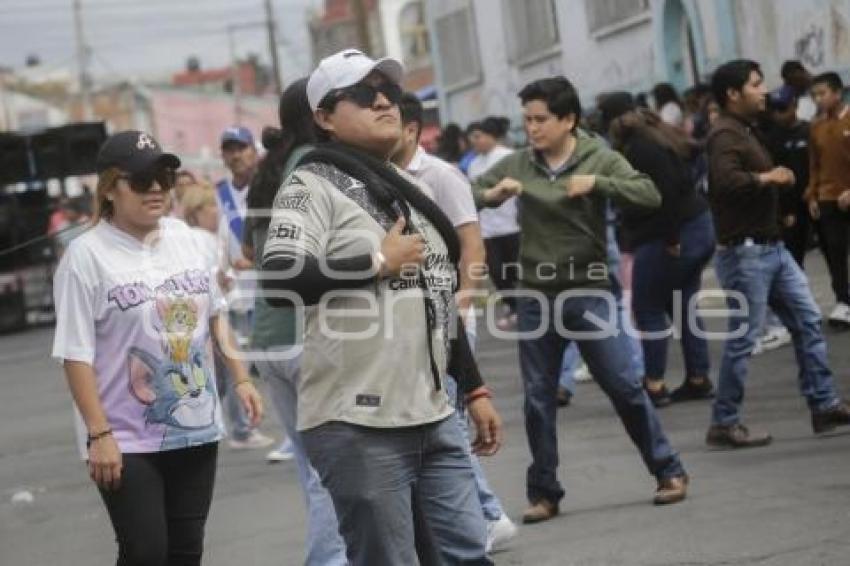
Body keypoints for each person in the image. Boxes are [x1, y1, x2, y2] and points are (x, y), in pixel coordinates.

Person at [261, 48, 501, 565]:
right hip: (357, 424)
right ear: (324, 117)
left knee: (469, 554)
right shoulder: (309, 184)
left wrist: (474, 386)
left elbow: (440, 298)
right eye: (363, 95)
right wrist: (375, 260)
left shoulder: (412, 187)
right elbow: (280, 277)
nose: (383, 102)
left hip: (433, 412)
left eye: (389, 91)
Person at [472, 76, 689, 524]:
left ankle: (668, 469)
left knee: (625, 386)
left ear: (568, 119)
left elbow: (648, 193)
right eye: (526, 120)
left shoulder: (597, 156)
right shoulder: (518, 163)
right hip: (535, 296)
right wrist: (491, 195)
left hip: (588, 292)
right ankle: (544, 492)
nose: (532, 128)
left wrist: (599, 184)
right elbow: (463, 196)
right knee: (537, 398)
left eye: (541, 119)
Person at [51, 130, 264, 565]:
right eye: (141, 180)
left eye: (164, 178)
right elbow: (75, 353)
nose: (156, 189)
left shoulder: (188, 240)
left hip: (196, 423)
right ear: (110, 188)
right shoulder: (85, 256)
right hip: (125, 436)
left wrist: (241, 377)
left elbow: (216, 316)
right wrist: (99, 434)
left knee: (186, 552)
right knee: (146, 552)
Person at [393, 92, 517, 554]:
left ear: (410, 129)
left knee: (447, 423)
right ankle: (483, 514)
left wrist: (462, 304)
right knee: (441, 423)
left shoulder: (441, 175)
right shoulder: (381, 178)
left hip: (448, 321)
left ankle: (488, 515)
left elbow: (473, 247)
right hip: (415, 318)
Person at [704, 59, 850, 449]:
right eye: (756, 84)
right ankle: (724, 421)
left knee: (807, 322)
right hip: (746, 254)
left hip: (771, 248)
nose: (763, 90)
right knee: (744, 338)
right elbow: (723, 182)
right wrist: (769, 177)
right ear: (734, 94)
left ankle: (824, 404)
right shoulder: (724, 135)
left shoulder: (745, 129)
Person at [243, 80, 348, 565]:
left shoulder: (270, 169)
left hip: (267, 336)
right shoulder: (316, 165)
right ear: (321, 112)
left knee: (313, 468)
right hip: (305, 333)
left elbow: (250, 249)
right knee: (336, 469)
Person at [601, 92, 716, 407]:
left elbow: (665, 196)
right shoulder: (659, 135)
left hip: (671, 235)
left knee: (647, 307)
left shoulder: (640, 148)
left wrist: (671, 240)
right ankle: (698, 377)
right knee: (681, 305)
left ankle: (654, 384)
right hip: (697, 227)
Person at [215, 126, 275, 450]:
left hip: (271, 292)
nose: (236, 155)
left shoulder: (268, 186)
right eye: (229, 149)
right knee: (235, 366)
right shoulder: (218, 195)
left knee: (272, 367)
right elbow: (215, 241)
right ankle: (242, 428)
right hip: (237, 297)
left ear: (254, 151)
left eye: (241, 148)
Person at [805, 71, 850, 328]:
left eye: (822, 93)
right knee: (834, 251)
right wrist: (812, 194)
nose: (818, 99)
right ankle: (843, 300)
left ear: (838, 92)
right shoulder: (817, 127)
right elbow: (814, 164)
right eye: (814, 95)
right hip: (827, 197)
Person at [467, 118, 521, 330]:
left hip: (513, 226)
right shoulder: (473, 163)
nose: (474, 141)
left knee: (514, 271)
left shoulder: (508, 157)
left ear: (492, 136)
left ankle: (519, 308)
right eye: (472, 137)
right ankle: (513, 306)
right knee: (497, 273)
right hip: (488, 229)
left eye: (478, 136)